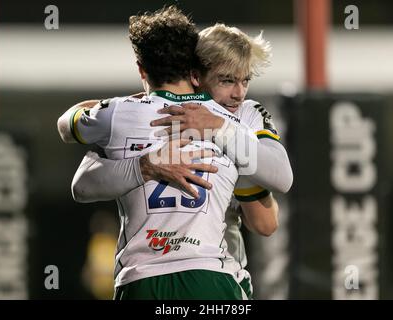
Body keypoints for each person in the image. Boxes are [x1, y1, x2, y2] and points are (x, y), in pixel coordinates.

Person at [58, 6, 283, 300]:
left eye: (244, 81)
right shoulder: (239, 118)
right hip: (215, 276)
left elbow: (69, 134)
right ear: (195, 71)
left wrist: (143, 161)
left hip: (141, 279)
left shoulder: (117, 113)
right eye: (228, 81)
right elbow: (268, 218)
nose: (238, 93)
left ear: (141, 69)